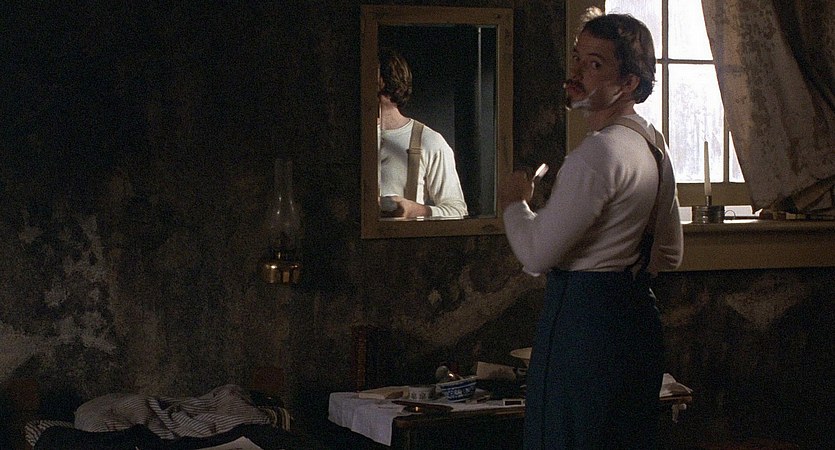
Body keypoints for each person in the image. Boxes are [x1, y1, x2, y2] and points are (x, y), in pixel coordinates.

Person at [499, 9, 683, 449]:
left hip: (584, 328)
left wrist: (514, 202)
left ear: (630, 82)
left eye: (595, 64)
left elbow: (535, 255)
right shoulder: (652, 145)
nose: (578, 72)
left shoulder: (597, 155)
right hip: (638, 322)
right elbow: (670, 253)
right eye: (578, 58)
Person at [377, 47, 468, 218]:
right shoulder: (346, 140)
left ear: (385, 80)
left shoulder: (428, 141)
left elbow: (457, 212)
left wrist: (413, 210)